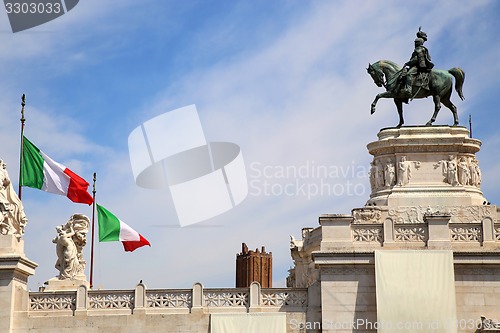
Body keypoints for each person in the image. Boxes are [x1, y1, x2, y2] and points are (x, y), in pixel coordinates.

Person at [402, 28, 434, 97]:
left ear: (418, 42)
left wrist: (407, 63)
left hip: (418, 66)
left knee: (409, 74)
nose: (414, 43)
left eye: (415, 42)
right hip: (419, 65)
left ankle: (409, 90)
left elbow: (415, 60)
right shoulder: (423, 49)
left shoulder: (418, 49)